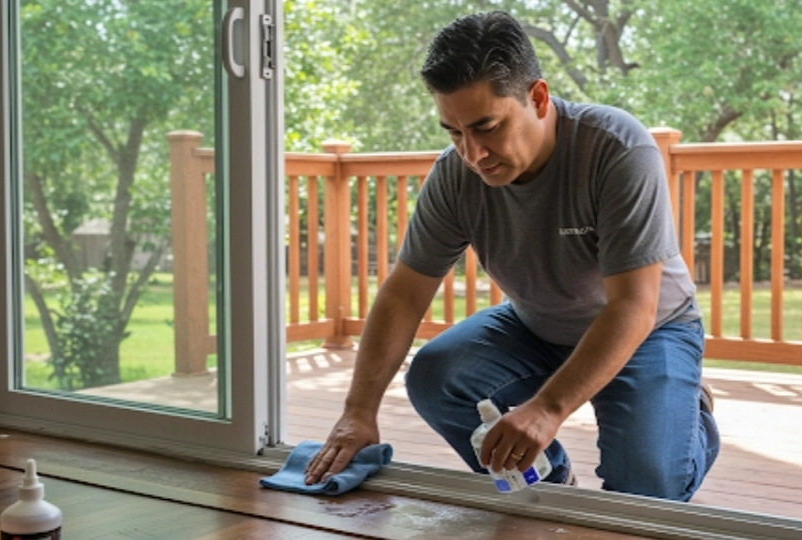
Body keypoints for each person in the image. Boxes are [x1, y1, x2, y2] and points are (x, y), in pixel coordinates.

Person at [305, 10, 719, 501]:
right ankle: (548, 480)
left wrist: (546, 409)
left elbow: (633, 306)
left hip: (649, 329)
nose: (472, 154)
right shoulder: (456, 176)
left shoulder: (618, 149)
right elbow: (403, 295)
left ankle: (691, 414)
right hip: (536, 324)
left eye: (487, 127)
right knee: (438, 376)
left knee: (645, 489)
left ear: (538, 99)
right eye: (454, 132)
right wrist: (358, 411)